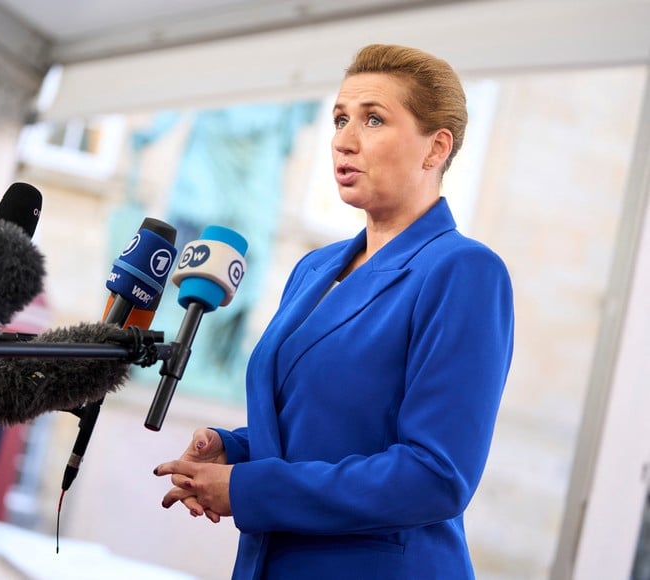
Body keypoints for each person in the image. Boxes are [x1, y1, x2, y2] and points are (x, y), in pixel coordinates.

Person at [153, 44, 515, 579]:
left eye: (373, 119)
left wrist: (251, 489)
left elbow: (436, 475)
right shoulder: (314, 270)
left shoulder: (463, 271)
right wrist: (234, 449)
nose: (344, 141)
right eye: (340, 119)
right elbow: (323, 430)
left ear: (435, 149)